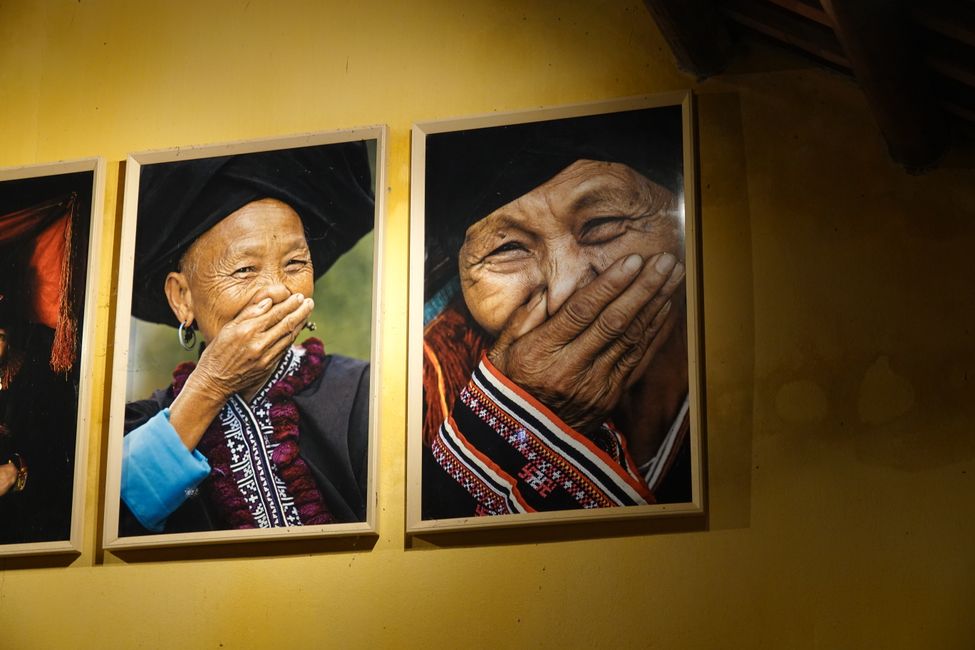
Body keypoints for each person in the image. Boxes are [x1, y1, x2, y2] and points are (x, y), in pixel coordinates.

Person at [420, 107, 693, 518]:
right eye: (507, 248)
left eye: (604, 222)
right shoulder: (422, 387)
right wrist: (528, 421)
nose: (566, 291)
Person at [120, 143, 375, 535]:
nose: (276, 290)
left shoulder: (365, 392)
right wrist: (211, 385)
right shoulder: (136, 427)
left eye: (295, 263)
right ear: (182, 297)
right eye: (244, 269)